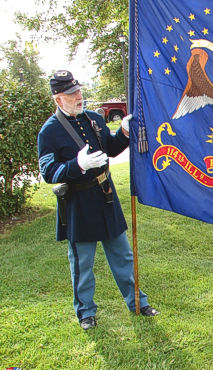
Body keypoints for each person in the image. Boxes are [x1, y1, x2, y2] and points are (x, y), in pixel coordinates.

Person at [38, 70, 159, 330]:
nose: (78, 97)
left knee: (123, 256)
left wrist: (124, 134)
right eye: (71, 94)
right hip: (79, 203)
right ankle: (86, 313)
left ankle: (137, 302)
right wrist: (76, 165)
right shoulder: (49, 132)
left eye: (78, 91)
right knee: (82, 263)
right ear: (58, 100)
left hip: (105, 196)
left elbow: (110, 148)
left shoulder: (94, 119)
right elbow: (48, 171)